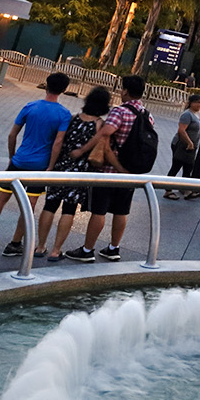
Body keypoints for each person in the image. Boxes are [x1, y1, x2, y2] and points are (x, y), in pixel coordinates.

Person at [0, 73, 71, 256]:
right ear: (64, 90)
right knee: (28, 205)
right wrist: (50, 166)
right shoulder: (64, 114)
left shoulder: (30, 106)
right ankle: (15, 244)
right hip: (40, 166)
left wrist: (12, 156)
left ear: (46, 86)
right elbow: (58, 142)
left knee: (1, 198)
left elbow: (12, 134)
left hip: (19, 160)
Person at [68, 75, 149, 263]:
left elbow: (105, 134)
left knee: (99, 211)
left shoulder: (119, 112)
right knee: (121, 211)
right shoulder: (146, 114)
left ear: (125, 91)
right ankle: (113, 248)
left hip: (109, 171)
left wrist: (82, 150)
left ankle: (87, 250)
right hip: (131, 172)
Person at [37, 87, 109, 262]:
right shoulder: (99, 124)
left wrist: (52, 165)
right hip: (80, 172)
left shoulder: (73, 118)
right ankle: (56, 251)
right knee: (69, 209)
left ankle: (40, 246)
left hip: (61, 167)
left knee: (49, 205)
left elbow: (59, 141)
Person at [164, 94, 200, 197]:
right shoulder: (187, 114)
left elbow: (198, 125)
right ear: (191, 103)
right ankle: (167, 190)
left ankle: (186, 190)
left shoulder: (196, 114)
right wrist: (189, 142)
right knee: (176, 167)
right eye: (197, 102)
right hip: (182, 145)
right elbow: (181, 130)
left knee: (188, 168)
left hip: (191, 147)